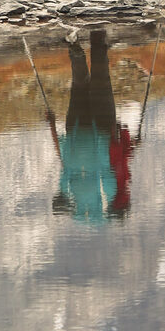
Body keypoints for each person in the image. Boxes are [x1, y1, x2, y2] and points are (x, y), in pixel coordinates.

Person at [47, 27, 135, 223]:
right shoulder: (69, 187)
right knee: (79, 84)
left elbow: (108, 167)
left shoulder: (109, 194)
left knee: (101, 78)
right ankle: (74, 47)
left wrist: (116, 133)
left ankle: (97, 34)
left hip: (102, 128)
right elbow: (61, 158)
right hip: (75, 129)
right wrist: (52, 125)